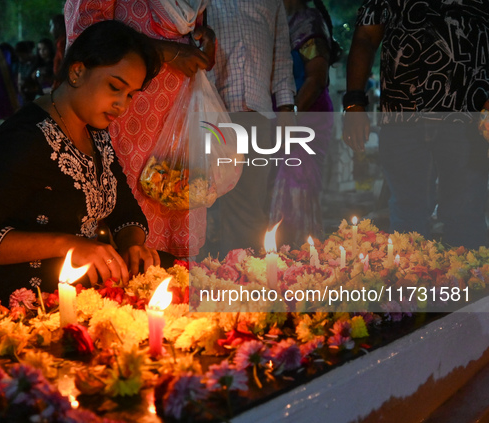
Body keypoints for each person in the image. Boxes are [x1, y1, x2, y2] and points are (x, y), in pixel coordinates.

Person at [0, 20, 163, 309]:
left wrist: (133, 244)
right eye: (114, 87)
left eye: (131, 95)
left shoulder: (94, 133)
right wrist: (68, 245)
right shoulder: (25, 139)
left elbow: (124, 211)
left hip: (75, 303)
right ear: (77, 71)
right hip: (11, 309)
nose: (122, 105)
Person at [65, 0, 215, 260]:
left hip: (178, 109)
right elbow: (85, 33)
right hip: (128, 111)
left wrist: (203, 38)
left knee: (177, 192)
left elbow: (188, 24)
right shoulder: (119, 100)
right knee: (127, 210)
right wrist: (167, 52)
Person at [343, 0, 489, 249]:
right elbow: (366, 35)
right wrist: (354, 103)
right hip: (402, 114)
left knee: (467, 211)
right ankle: (411, 284)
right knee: (407, 214)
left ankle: (467, 284)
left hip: (468, 115)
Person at [204, 0, 297, 254]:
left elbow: (282, 56)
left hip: (258, 113)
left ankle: (245, 273)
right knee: (203, 198)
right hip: (214, 110)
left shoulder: (272, 3)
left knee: (250, 199)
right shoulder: (205, 2)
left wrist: (287, 108)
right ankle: (217, 273)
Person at [269, 0, 342, 248]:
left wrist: (290, 113)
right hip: (286, 118)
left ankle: (301, 257)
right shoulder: (281, 19)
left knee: (296, 189)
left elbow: (316, 77)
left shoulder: (307, 21)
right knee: (282, 190)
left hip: (306, 117)